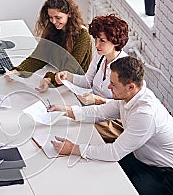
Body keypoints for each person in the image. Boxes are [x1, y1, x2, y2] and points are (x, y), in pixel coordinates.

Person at [48, 56, 173, 195]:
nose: (109, 87)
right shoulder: (130, 96)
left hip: (164, 174)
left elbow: (114, 152)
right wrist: (65, 110)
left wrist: (73, 148)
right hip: (141, 158)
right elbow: (100, 112)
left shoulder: (144, 114)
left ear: (131, 86)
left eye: (113, 84)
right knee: (93, 170)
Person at [55, 14, 129, 142]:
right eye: (95, 39)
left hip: (112, 119)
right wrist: (68, 76)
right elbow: (87, 81)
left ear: (115, 41)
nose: (96, 44)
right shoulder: (100, 56)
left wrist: (98, 100)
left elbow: (125, 105)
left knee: (74, 127)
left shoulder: (125, 67)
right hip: (94, 110)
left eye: (102, 40)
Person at [6, 0, 93, 91]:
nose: (54, 21)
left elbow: (71, 69)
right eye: (51, 17)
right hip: (59, 75)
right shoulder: (53, 29)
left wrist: (49, 79)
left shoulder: (83, 35)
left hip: (76, 84)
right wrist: (18, 71)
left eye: (58, 17)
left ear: (69, 14)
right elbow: (39, 57)